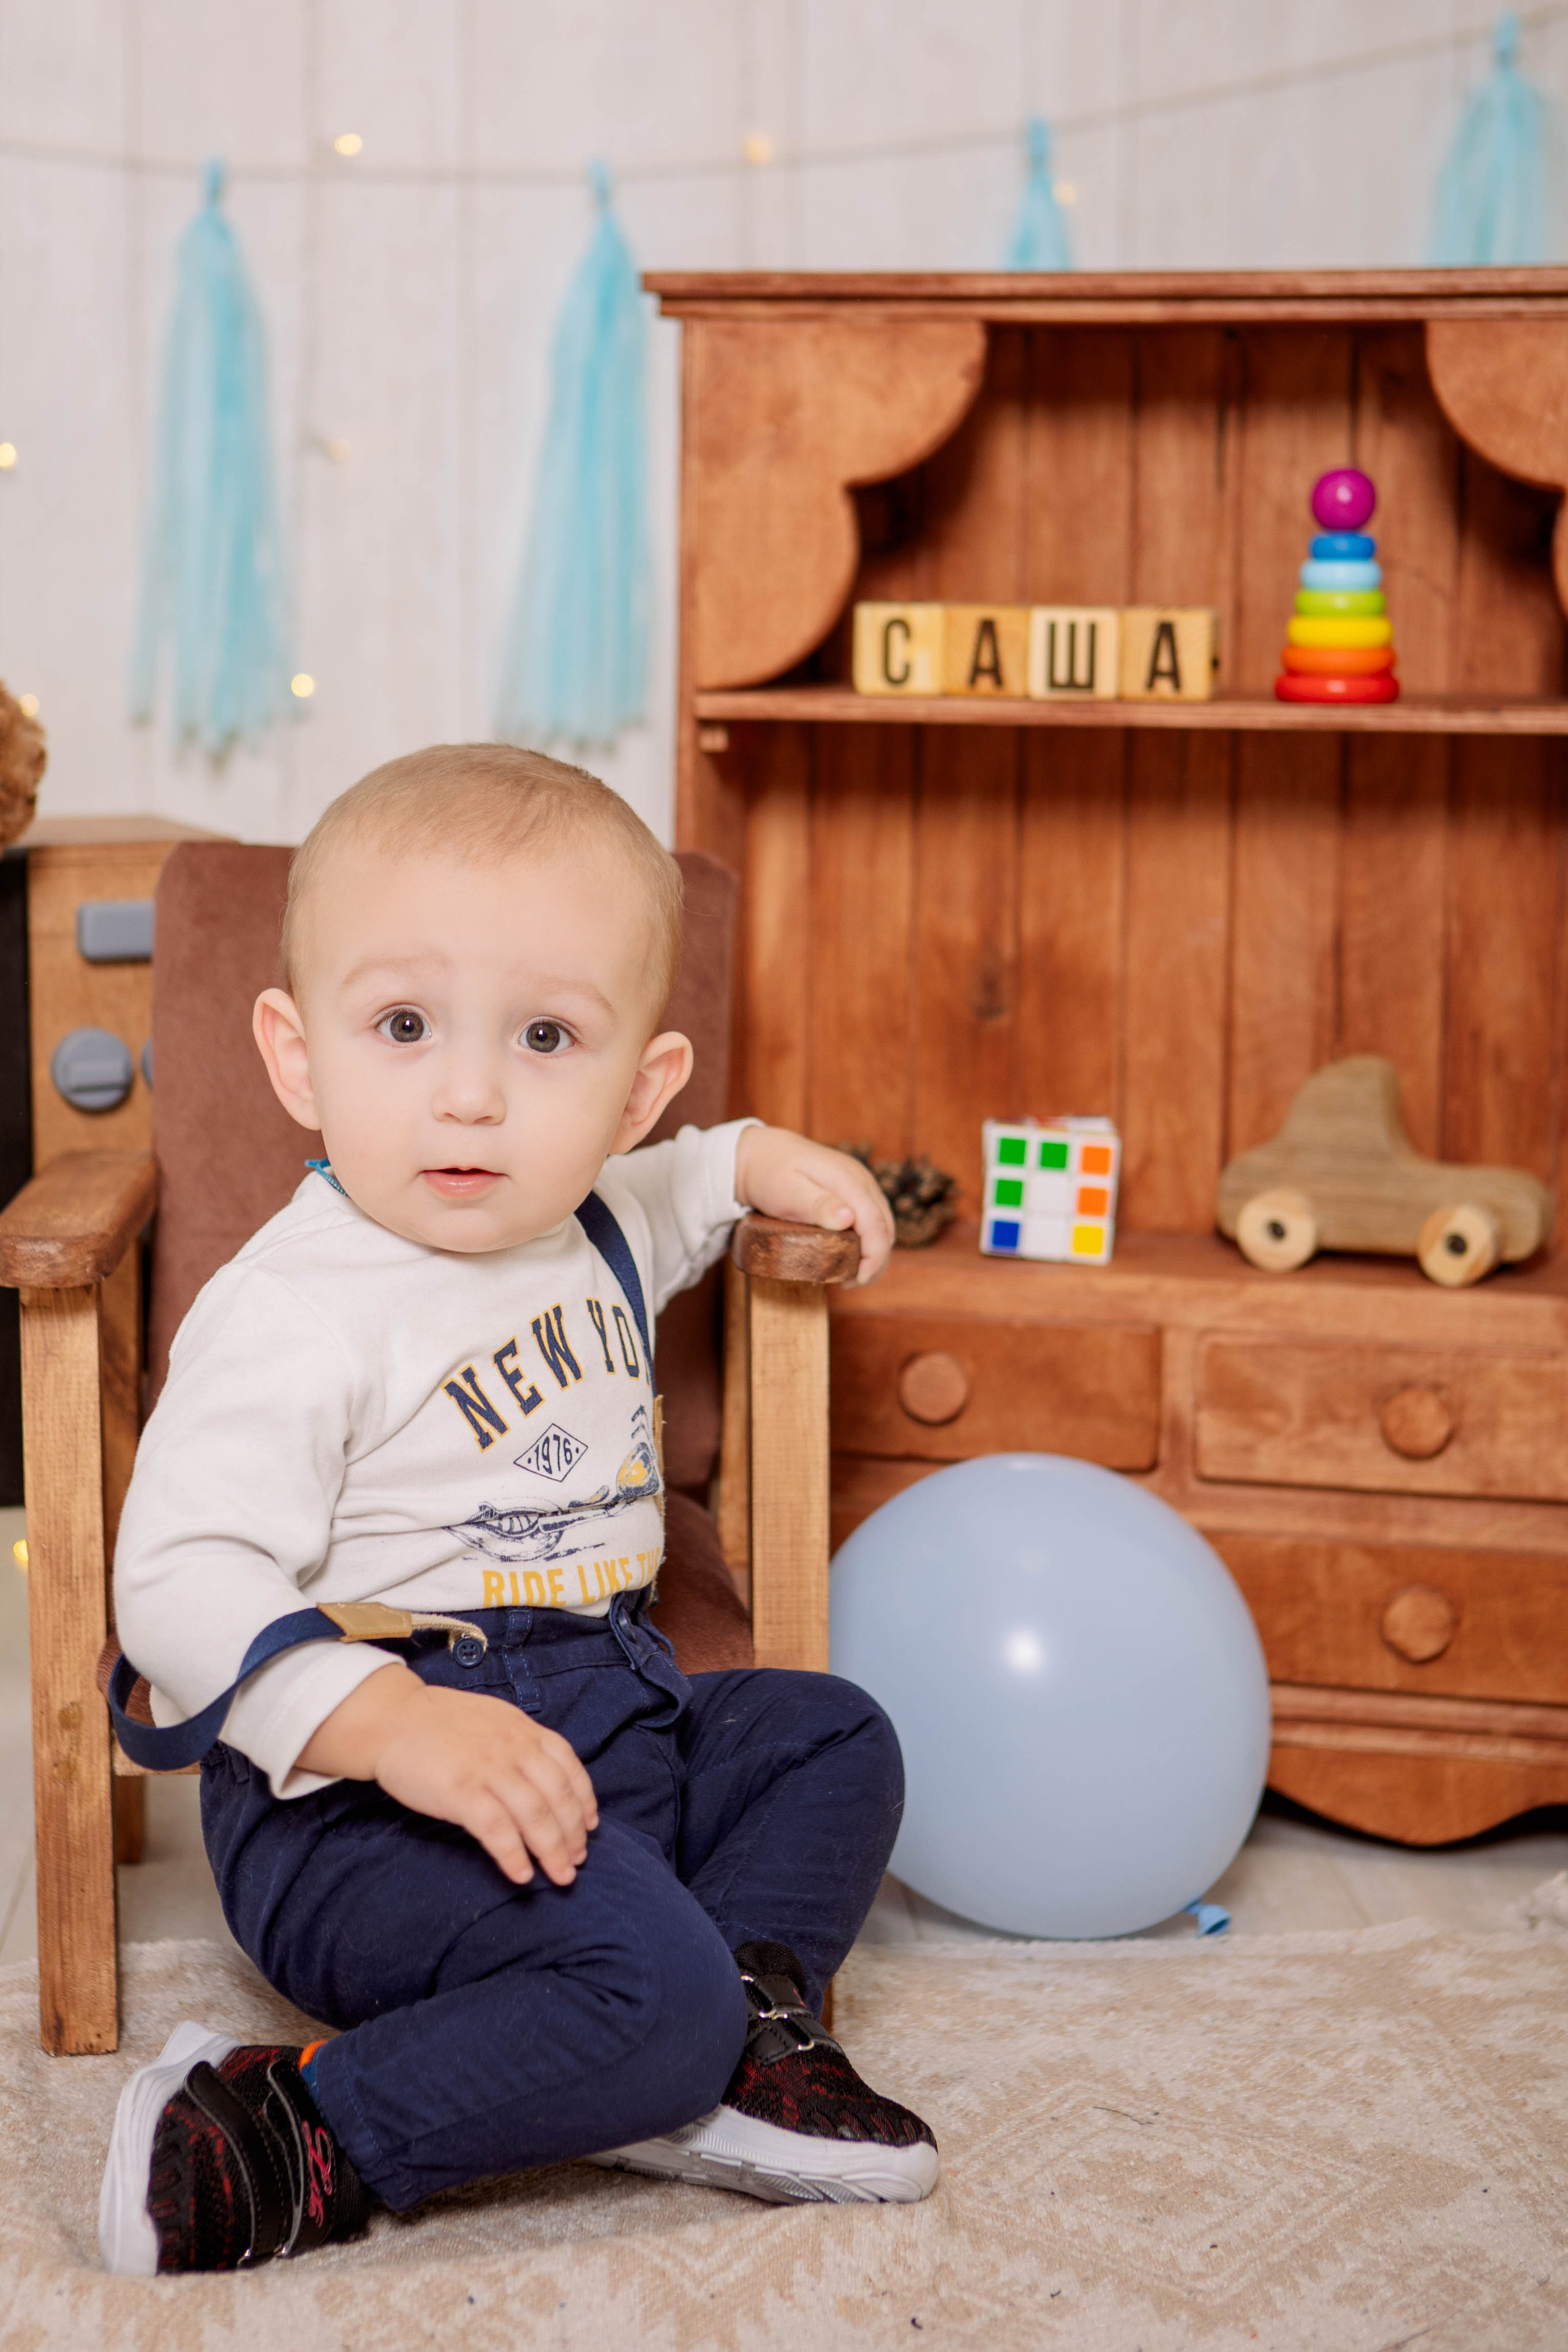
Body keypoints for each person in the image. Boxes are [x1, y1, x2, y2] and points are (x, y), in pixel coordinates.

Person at [98, 744, 937, 2278]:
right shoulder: (296, 1305)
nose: (470, 1092)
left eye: (547, 1037)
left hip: (608, 1717)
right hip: (361, 1806)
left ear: (637, 1088)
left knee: (834, 1734)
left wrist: (755, 1159)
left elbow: (680, 1193)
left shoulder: (588, 1213)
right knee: (644, 1996)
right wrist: (392, 1727)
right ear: (297, 1057)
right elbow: (175, 1578)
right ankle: (287, 2131)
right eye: (403, 1026)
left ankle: (738, 2041)